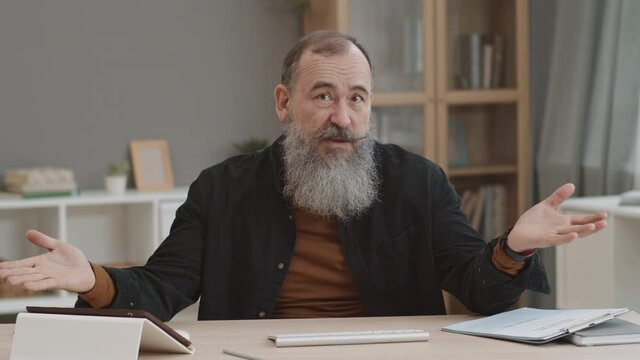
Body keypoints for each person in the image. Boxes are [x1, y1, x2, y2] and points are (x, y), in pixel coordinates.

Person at [0, 31, 606, 322]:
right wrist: (93, 278)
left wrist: (514, 248)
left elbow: (481, 293)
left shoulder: (418, 181)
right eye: (323, 95)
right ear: (285, 103)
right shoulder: (221, 188)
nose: (342, 117)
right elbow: (161, 291)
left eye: (358, 98)